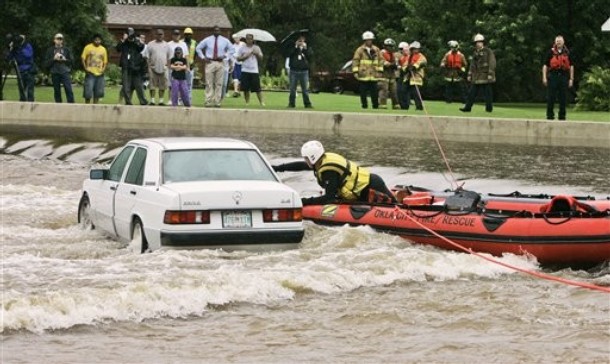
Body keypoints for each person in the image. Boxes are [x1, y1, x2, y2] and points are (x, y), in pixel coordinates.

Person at [272, 141, 397, 205]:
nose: (305, 160)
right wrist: (278, 168)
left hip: (370, 187)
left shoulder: (329, 171)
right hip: (368, 183)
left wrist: (304, 201)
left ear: (313, 158)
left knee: (395, 205)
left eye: (306, 158)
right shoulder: (324, 159)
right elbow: (302, 166)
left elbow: (329, 198)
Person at [195, 25, 232, 107]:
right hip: (210, 62)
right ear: (213, 31)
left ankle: (217, 102)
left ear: (220, 31)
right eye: (215, 30)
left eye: (218, 30)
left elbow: (232, 49)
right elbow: (198, 48)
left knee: (219, 83)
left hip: (220, 62)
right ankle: (208, 101)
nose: (216, 32)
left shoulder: (225, 40)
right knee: (209, 83)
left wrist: (225, 56)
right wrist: (203, 57)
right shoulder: (208, 40)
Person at [460, 33, 496, 113]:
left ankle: (489, 109)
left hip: (486, 76)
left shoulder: (488, 51)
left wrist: (490, 73)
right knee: (471, 93)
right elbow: (472, 65)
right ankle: (467, 107)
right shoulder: (475, 53)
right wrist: (469, 74)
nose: (478, 44)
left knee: (488, 94)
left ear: (483, 43)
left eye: (479, 42)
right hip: (476, 77)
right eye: (476, 42)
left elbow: (492, 62)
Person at [542, 35, 574, 121]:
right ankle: (550, 116)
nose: (558, 43)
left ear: (563, 42)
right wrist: (544, 77)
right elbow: (545, 65)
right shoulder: (550, 52)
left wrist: (571, 79)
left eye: (560, 41)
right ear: (555, 42)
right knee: (550, 97)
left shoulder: (567, 53)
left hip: (563, 76)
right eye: (557, 41)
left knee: (563, 97)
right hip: (553, 76)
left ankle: (562, 117)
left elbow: (571, 66)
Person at [116, 28, 147, 105]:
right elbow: (118, 49)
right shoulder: (124, 43)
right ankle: (128, 101)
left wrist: (135, 40)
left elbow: (141, 47)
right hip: (126, 67)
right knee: (126, 86)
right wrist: (123, 40)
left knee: (139, 85)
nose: (130, 37)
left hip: (136, 67)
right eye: (129, 35)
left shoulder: (136, 42)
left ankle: (143, 101)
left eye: (131, 35)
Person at [352, 31, 382, 109]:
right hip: (363, 75)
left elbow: (381, 61)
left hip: (373, 75)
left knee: (374, 93)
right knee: (363, 93)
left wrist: (380, 71)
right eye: (367, 40)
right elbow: (355, 60)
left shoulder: (376, 50)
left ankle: (375, 106)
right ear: (364, 40)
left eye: (370, 40)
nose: (369, 41)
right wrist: (355, 72)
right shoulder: (360, 50)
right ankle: (364, 106)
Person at [236, 33, 265, 106]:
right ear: (245, 39)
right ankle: (247, 102)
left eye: (250, 39)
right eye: (247, 39)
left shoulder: (256, 48)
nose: (249, 40)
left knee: (257, 88)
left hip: (254, 70)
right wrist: (247, 55)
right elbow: (238, 58)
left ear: (253, 40)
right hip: (245, 70)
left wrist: (257, 54)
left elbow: (261, 58)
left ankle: (261, 102)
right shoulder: (242, 48)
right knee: (245, 88)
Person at [44, 33, 74, 103]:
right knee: (57, 91)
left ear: (62, 40)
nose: (59, 41)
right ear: (54, 40)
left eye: (61, 39)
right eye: (57, 39)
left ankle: (71, 105)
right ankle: (58, 105)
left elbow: (72, 61)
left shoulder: (66, 50)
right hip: (55, 72)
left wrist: (64, 59)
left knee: (68, 89)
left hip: (65, 72)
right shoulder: (50, 50)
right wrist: (54, 59)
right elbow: (46, 63)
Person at [145, 29, 171, 105]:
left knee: (162, 85)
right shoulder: (150, 44)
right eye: (158, 34)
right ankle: (152, 100)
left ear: (163, 35)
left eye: (161, 34)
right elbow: (146, 56)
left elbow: (169, 57)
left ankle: (161, 101)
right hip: (152, 68)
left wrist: (167, 66)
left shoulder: (166, 45)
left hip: (163, 68)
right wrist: (149, 66)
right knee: (152, 85)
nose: (159, 36)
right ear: (155, 35)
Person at [7, 33, 35, 102]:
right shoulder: (15, 48)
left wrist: (19, 48)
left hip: (29, 70)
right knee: (21, 89)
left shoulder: (27, 46)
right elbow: (9, 58)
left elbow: (28, 55)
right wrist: (11, 49)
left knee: (30, 90)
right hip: (20, 71)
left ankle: (30, 103)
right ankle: (22, 102)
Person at [287, 35, 313, 108]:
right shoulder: (293, 48)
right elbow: (289, 54)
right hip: (294, 71)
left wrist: (305, 49)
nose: (301, 42)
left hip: (304, 71)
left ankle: (307, 104)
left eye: (302, 41)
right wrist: (295, 46)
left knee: (305, 89)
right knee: (292, 89)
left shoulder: (307, 48)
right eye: (299, 41)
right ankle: (291, 103)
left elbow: (310, 57)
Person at [81, 33, 107, 104]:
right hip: (90, 73)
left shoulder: (103, 49)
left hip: (100, 74)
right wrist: (85, 68)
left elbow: (105, 61)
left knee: (98, 93)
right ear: (93, 40)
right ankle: (87, 107)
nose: (97, 41)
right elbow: (83, 58)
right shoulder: (88, 47)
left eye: (99, 40)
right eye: (96, 40)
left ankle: (95, 107)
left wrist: (103, 69)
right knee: (88, 93)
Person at [402, 41, 427, 111]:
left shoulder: (421, 56)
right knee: (403, 91)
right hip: (408, 77)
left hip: (416, 77)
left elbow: (422, 62)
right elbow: (404, 65)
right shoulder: (409, 57)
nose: (414, 50)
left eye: (415, 49)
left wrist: (414, 67)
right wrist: (406, 68)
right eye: (413, 49)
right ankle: (404, 107)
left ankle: (419, 107)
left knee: (416, 93)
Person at [378, 38, 400, 109]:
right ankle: (382, 105)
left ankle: (395, 105)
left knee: (394, 91)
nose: (391, 48)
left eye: (392, 46)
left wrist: (396, 65)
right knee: (384, 90)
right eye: (389, 46)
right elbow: (382, 61)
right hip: (383, 74)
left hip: (392, 74)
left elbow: (396, 63)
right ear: (385, 46)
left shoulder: (393, 54)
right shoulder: (381, 53)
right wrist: (390, 64)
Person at [182, 28, 198, 102]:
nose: (188, 36)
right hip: (181, 66)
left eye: (189, 34)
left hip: (190, 66)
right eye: (186, 34)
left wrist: (192, 63)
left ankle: (189, 100)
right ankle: (181, 100)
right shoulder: (181, 42)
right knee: (181, 84)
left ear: (191, 35)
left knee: (189, 84)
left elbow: (195, 54)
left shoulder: (194, 43)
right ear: (184, 35)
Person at [396, 41, 410, 109]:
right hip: (400, 75)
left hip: (407, 75)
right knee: (399, 90)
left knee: (405, 91)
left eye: (403, 49)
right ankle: (402, 104)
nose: (401, 51)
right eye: (401, 49)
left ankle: (406, 105)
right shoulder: (399, 56)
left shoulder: (409, 57)